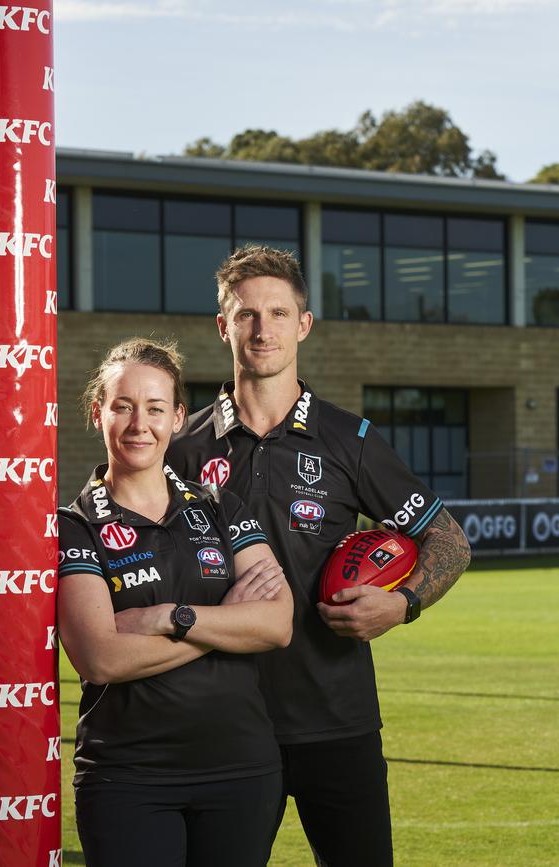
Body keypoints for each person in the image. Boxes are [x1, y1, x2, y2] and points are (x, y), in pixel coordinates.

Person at [164, 245, 472, 867]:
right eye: (247, 314)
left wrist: (401, 604)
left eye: (279, 313)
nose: (263, 329)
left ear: (303, 325)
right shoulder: (181, 448)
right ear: (223, 326)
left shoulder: (349, 439)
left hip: (338, 721)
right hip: (224, 727)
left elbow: (449, 541)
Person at [57, 337, 293, 867]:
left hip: (241, 772)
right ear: (98, 414)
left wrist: (171, 618)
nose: (140, 423)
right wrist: (229, 624)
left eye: (155, 408)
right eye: (122, 406)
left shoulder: (219, 506)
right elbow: (101, 659)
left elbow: (278, 623)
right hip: (128, 778)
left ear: (179, 418)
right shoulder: (74, 526)